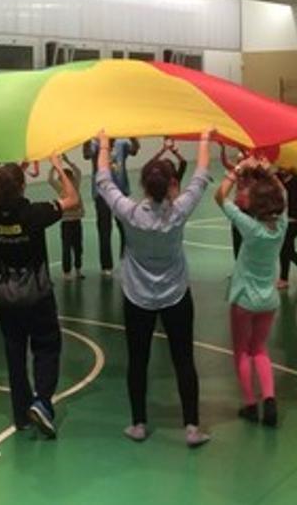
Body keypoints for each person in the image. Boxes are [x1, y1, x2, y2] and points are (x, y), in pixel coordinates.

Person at [97, 128, 213, 447]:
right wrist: (204, 139)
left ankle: (138, 423)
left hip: (137, 298)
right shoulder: (179, 212)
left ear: (143, 186)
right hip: (176, 295)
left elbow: (104, 182)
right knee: (183, 360)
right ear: (172, 185)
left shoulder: (131, 214)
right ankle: (191, 427)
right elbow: (202, 176)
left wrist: (104, 144)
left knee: (138, 360)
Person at [0, 156, 80, 438]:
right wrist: (57, 165)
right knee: (47, 346)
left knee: (14, 352)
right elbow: (72, 199)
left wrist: (17, 170)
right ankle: (42, 402)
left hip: (4, 294)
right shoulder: (33, 213)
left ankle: (20, 414)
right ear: (23, 187)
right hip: (35, 294)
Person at [214, 157, 287, 426]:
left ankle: (249, 403)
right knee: (260, 350)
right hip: (269, 299)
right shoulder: (281, 227)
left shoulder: (251, 228)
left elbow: (220, 196)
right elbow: (284, 194)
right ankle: (270, 400)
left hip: (244, 299)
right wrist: (268, 170)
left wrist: (236, 171)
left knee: (242, 351)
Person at [83, 136, 140, 279]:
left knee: (126, 229)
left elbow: (134, 150)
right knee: (104, 230)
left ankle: (126, 261)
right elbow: (86, 154)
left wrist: (134, 137)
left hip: (121, 191)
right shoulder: (96, 144)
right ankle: (106, 266)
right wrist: (85, 138)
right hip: (102, 194)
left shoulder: (121, 144)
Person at [48, 154, 85, 280]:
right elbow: (50, 179)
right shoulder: (60, 187)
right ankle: (67, 272)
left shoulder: (75, 185)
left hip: (77, 221)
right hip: (66, 222)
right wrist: (55, 166)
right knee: (66, 248)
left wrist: (68, 161)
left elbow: (78, 171)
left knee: (78, 247)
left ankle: (78, 269)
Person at [276, 167, 297, 289]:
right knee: (288, 247)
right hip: (283, 220)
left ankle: (284, 279)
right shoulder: (277, 177)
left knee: (285, 246)